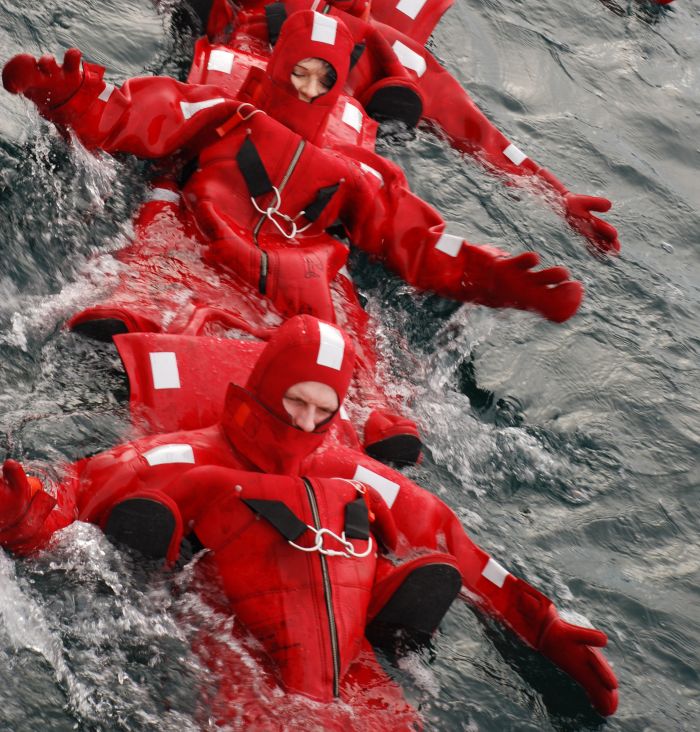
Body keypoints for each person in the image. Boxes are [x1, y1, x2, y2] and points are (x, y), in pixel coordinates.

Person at [0, 315, 618, 720]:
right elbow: (73, 488)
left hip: (342, 649)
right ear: (266, 387)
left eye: (321, 410)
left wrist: (544, 626)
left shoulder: (349, 469)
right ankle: (157, 560)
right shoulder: (184, 454)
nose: (302, 422)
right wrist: (21, 504)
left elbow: (461, 547)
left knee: (383, 711)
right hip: (230, 627)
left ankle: (383, 596)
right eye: (294, 400)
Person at [2, 10, 583, 327]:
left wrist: (544, 219)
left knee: (330, 312)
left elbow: (427, 220)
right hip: (210, 221)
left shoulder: (356, 152)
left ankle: (369, 413)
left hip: (297, 255)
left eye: (322, 81)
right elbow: (140, 112)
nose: (308, 90)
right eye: (300, 75)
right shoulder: (225, 112)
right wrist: (67, 97)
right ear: (280, 68)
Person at [185, 0, 621, 252]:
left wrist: (557, 196)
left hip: (299, 163)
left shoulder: (398, 54)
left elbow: (478, 134)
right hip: (240, 134)